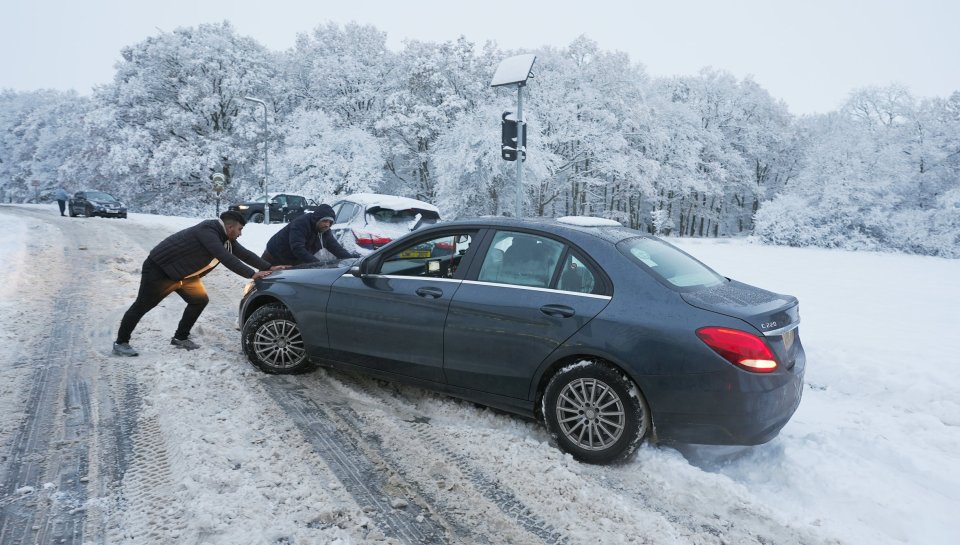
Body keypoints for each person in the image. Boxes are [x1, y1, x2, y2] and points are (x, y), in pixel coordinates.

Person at [112, 211, 285, 357]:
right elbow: (225, 257)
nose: (240, 233)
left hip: (184, 276)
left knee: (199, 300)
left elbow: (244, 254)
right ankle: (121, 343)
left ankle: (180, 338)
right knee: (142, 306)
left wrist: (269, 267)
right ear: (230, 227)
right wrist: (252, 274)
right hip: (160, 271)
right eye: (240, 229)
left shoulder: (225, 237)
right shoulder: (207, 231)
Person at [261, 204, 360, 266]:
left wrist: (353, 261)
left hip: (293, 261)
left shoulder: (324, 231)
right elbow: (297, 248)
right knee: (261, 285)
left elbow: (336, 249)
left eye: (330, 222)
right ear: (317, 219)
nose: (327, 224)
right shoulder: (300, 224)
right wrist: (318, 265)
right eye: (324, 221)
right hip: (273, 256)